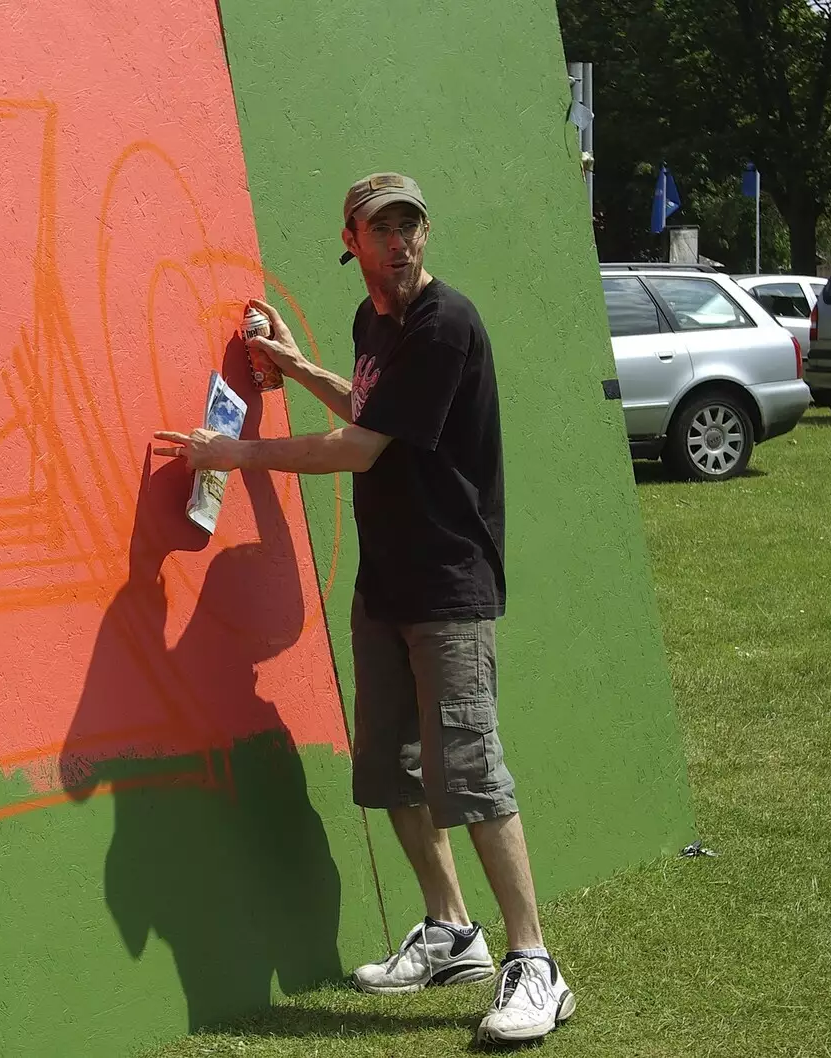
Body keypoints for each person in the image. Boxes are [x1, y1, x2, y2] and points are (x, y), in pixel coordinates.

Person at [153, 173, 575, 1046]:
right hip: (386, 586)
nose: (401, 242)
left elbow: (357, 447)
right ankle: (452, 931)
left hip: (449, 585)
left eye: (411, 226)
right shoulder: (372, 323)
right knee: (390, 765)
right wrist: (294, 364)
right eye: (382, 229)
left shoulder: (444, 324)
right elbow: (368, 406)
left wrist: (232, 451)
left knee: (472, 768)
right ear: (353, 239)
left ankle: (535, 963)